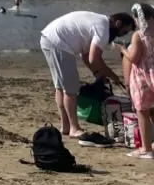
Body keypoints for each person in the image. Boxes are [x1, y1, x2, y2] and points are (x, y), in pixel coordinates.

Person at [39, 10, 135, 138]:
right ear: (118, 23)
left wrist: (98, 73)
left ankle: (66, 126)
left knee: (60, 87)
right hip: (59, 43)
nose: (121, 36)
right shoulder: (103, 29)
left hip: (49, 38)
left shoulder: (100, 22)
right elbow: (94, 59)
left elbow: (86, 56)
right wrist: (112, 75)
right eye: (124, 32)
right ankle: (74, 128)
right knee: (71, 89)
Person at [123, 3, 154, 158]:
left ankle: (146, 148)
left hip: (143, 76)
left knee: (142, 111)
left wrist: (123, 50)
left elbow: (134, 57)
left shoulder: (139, 34)